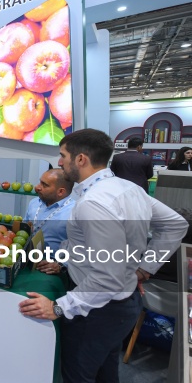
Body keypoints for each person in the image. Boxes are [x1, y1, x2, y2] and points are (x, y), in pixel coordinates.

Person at [18, 128, 189, 383]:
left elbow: (106, 278)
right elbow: (175, 224)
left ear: (81, 159)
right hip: (122, 304)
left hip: (97, 311)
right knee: (106, 373)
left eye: (63, 156)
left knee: (79, 375)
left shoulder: (94, 203)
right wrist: (143, 268)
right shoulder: (127, 188)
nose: (60, 162)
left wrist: (57, 307)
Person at [24, 168, 74, 274]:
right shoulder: (34, 203)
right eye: (39, 182)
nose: (37, 187)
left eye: (44, 185)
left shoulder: (75, 212)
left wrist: (61, 265)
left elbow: (83, 249)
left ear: (61, 191)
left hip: (51, 267)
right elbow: (24, 228)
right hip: (26, 259)